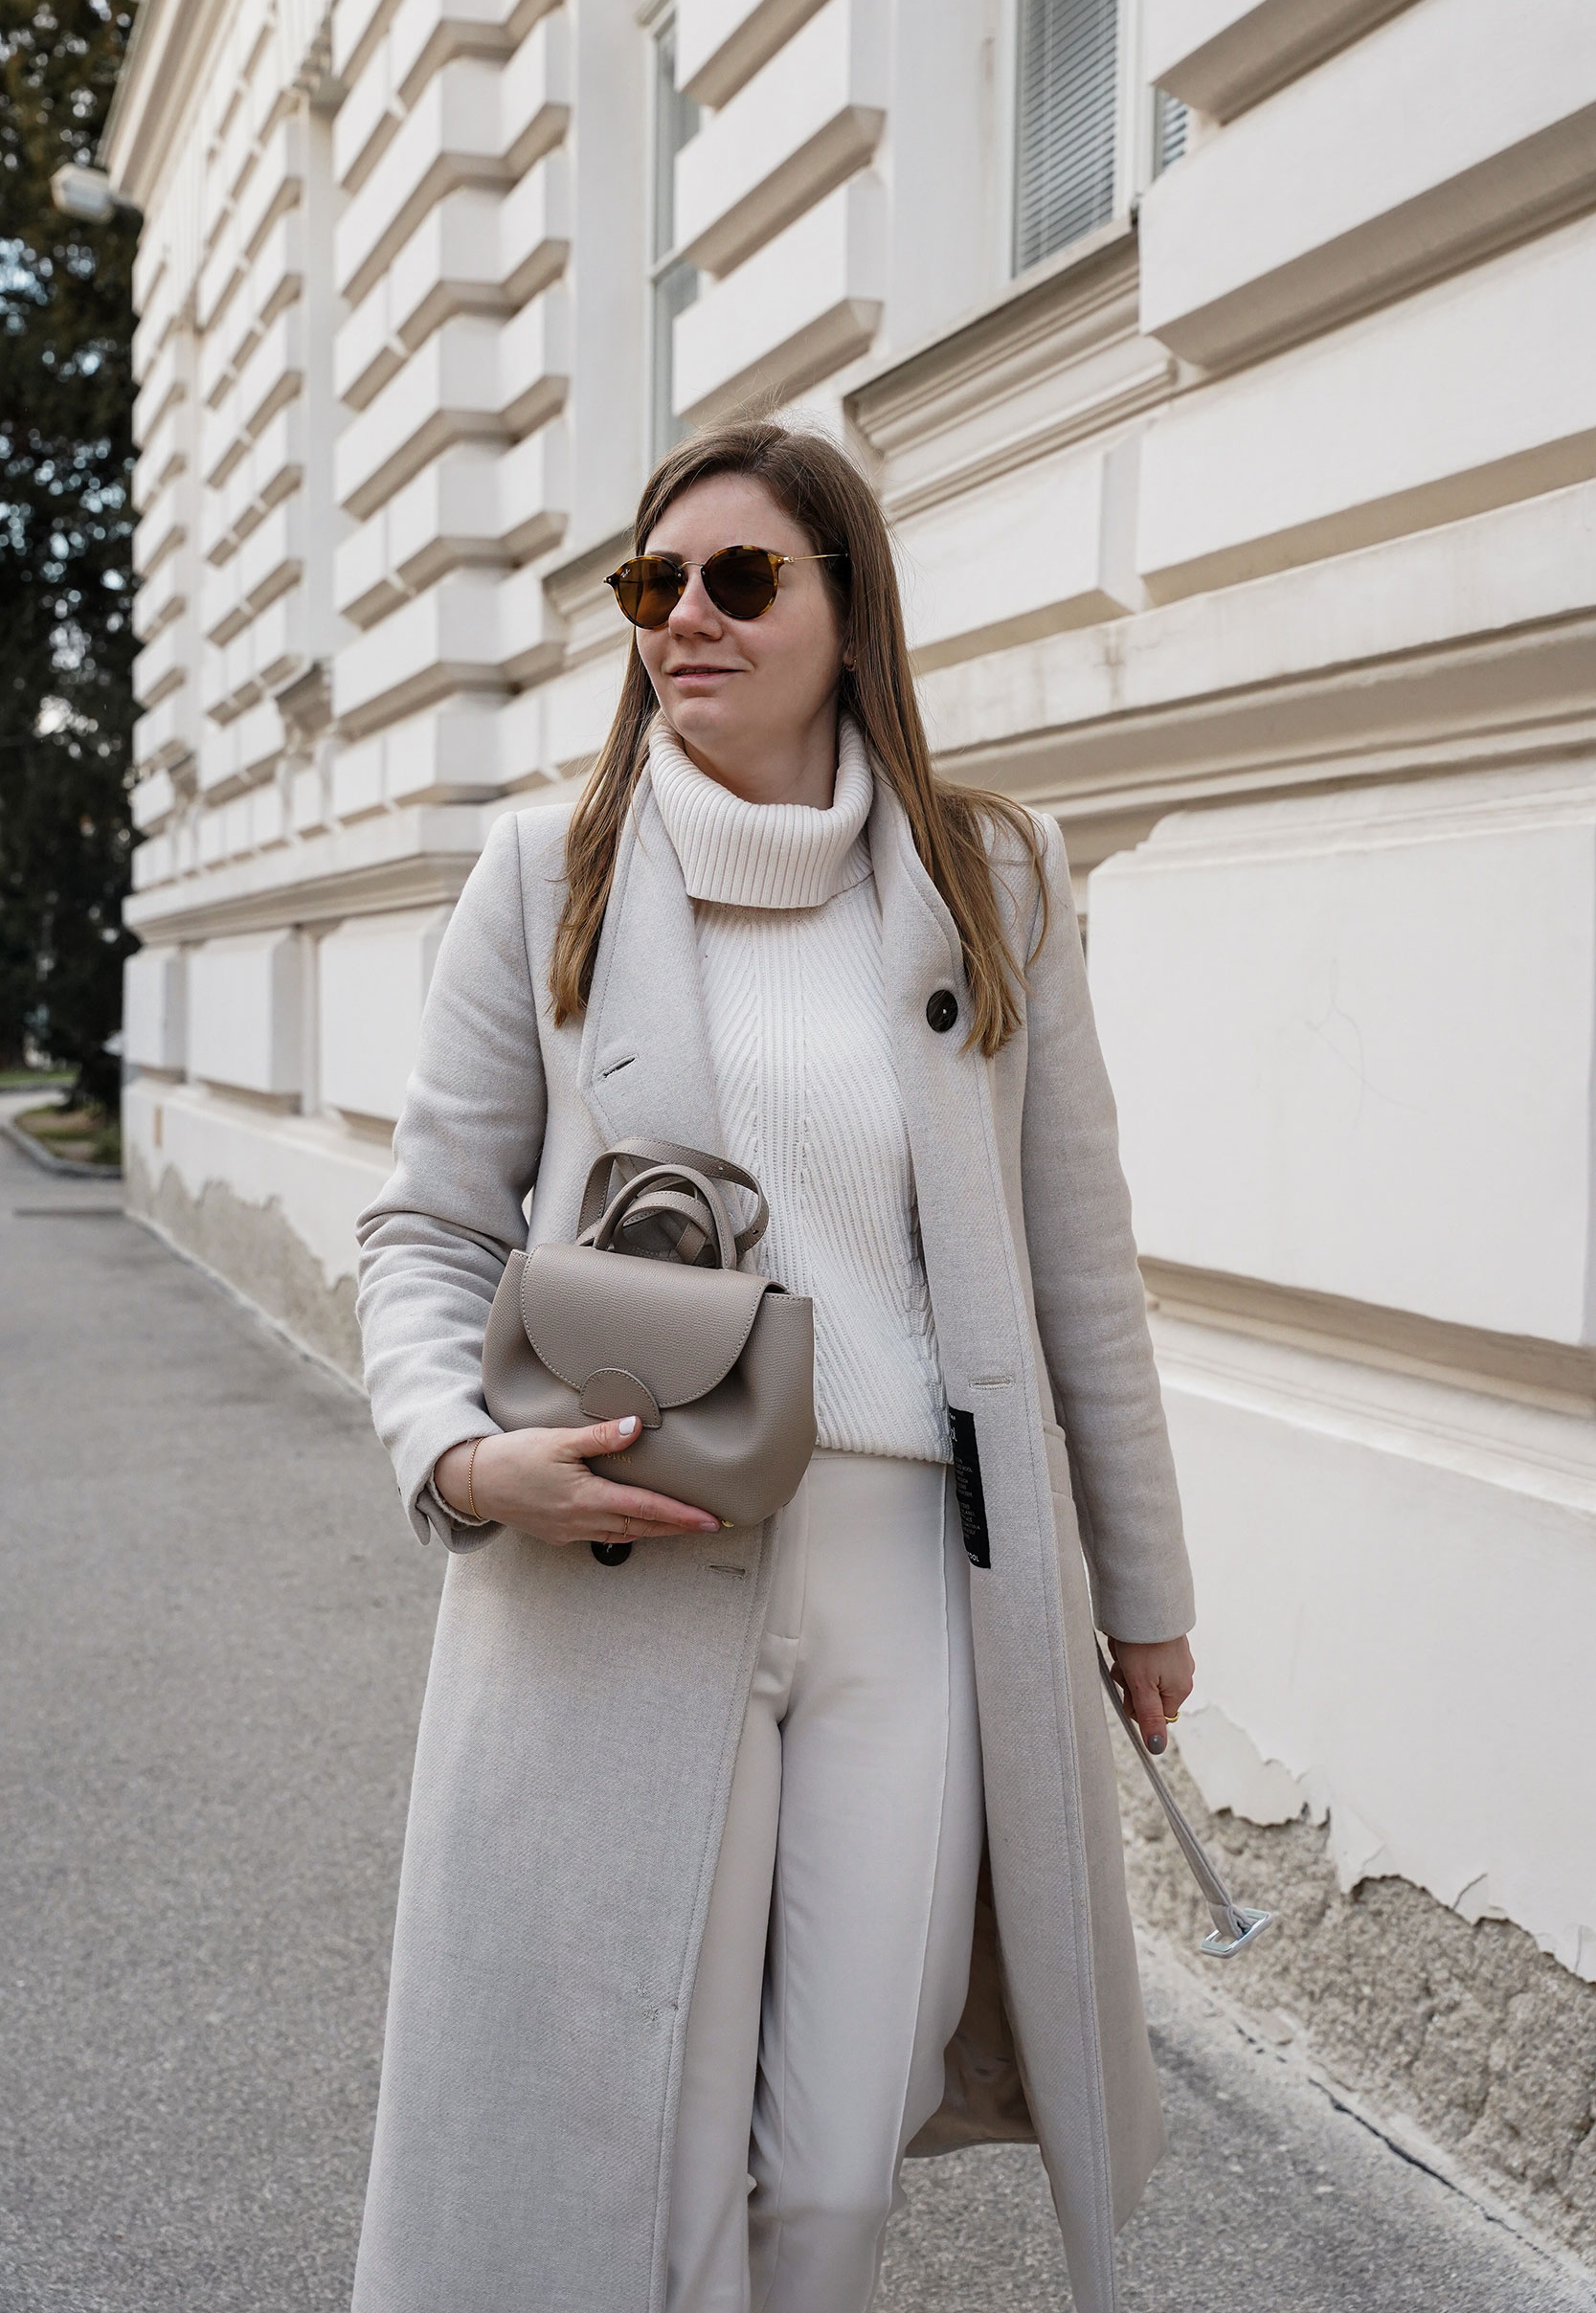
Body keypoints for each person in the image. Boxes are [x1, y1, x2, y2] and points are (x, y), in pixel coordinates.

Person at [351, 419, 1196, 2313]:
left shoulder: (995, 875)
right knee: (641, 2144)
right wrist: (460, 1454)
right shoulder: (542, 873)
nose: (687, 619)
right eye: (655, 585)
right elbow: (423, 1223)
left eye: (743, 579)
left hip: (911, 1561)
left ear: (847, 609)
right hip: (627, 1545)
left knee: (832, 2153)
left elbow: (1083, 1271)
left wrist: (1145, 1589)